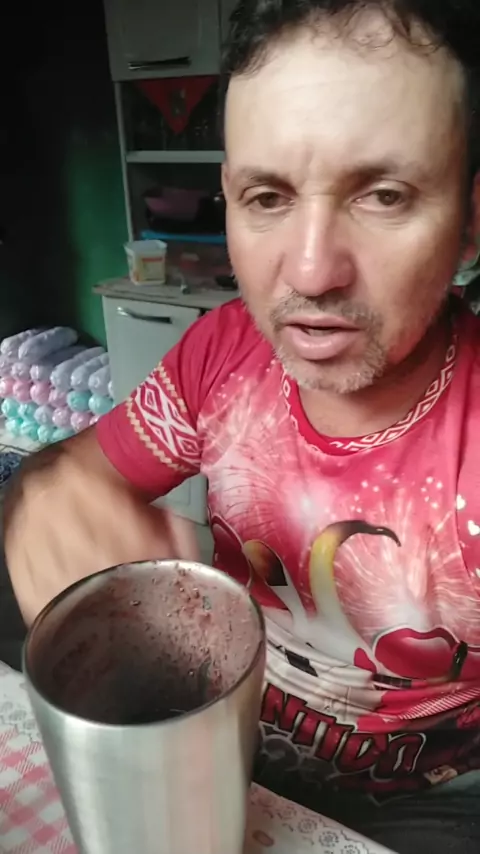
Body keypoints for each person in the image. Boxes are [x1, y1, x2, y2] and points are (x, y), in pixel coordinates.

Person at [4, 1, 480, 850]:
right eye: (268, 197)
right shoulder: (223, 354)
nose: (311, 271)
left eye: (383, 194)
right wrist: (46, 498)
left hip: (430, 803)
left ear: (472, 220)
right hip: (224, 738)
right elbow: (73, 475)